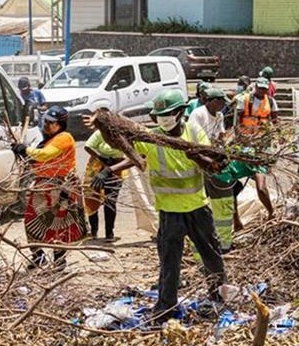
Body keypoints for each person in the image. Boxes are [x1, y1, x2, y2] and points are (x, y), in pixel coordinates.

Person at [89, 90, 227, 321]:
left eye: (169, 113)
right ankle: (165, 307)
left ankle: (218, 299)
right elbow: (133, 156)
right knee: (169, 262)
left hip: (197, 209)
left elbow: (212, 164)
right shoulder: (150, 138)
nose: (164, 119)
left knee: (211, 256)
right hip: (169, 212)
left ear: (180, 112)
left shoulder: (193, 132)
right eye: (160, 115)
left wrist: (196, 156)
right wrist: (109, 169)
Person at [11, 106, 87, 269]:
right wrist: (24, 155)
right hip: (43, 186)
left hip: (61, 186)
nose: (47, 124)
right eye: (45, 121)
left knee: (58, 223)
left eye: (51, 123)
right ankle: (38, 257)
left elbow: (46, 155)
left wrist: (26, 150)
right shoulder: (46, 140)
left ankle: (59, 260)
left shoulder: (64, 137)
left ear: (60, 124)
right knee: (31, 220)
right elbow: (38, 161)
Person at [189, 88, 236, 252]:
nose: (223, 106)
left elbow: (221, 137)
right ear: (213, 101)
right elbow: (196, 140)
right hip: (203, 160)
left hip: (214, 159)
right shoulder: (198, 114)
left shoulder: (219, 116)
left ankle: (223, 241)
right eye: (221, 102)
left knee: (220, 199)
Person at [236, 77, 277, 219]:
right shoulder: (245, 99)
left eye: (264, 88)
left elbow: (275, 121)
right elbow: (238, 121)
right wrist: (241, 139)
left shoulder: (270, 101)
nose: (262, 91)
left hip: (262, 144)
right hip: (246, 143)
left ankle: (271, 211)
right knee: (250, 174)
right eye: (260, 88)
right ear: (255, 87)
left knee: (261, 175)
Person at [84, 112, 127, 242]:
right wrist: (101, 157)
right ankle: (94, 231)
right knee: (92, 197)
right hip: (97, 166)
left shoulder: (121, 133)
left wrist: (112, 162)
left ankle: (109, 233)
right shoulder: (99, 133)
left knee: (110, 200)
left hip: (116, 168)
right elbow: (88, 146)